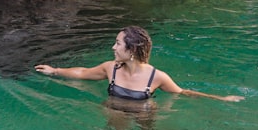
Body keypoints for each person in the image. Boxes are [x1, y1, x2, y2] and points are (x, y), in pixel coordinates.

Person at [34, 25, 244, 102]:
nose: (113, 48)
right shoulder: (111, 68)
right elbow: (83, 73)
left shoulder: (157, 77)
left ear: (132, 50)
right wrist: (55, 71)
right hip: (114, 114)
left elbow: (182, 93)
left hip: (143, 117)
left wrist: (221, 98)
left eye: (117, 44)